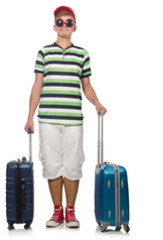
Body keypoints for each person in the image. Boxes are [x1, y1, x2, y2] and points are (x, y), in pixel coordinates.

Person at [25, 6, 108, 229]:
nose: (64, 26)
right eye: (60, 22)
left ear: (74, 27)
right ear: (54, 26)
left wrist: (97, 103)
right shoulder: (44, 52)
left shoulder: (82, 54)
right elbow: (37, 85)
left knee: (72, 165)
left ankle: (70, 212)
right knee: (52, 165)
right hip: (48, 118)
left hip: (73, 119)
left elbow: (87, 86)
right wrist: (30, 117)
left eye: (68, 22)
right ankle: (56, 211)